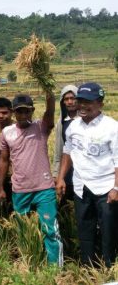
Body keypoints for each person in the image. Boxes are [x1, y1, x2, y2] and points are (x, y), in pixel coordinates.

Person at [0, 92, 63, 267]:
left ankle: (54, 268)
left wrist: (48, 93)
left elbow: (50, 112)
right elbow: (3, 160)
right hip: (20, 189)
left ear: (32, 111)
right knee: (23, 230)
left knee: (49, 229)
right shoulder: (7, 132)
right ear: (13, 112)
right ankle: (30, 263)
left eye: (27, 111)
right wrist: (0, 187)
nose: (24, 115)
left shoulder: (41, 127)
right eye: (20, 112)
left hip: (44, 189)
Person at [56, 82, 117, 267]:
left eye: (88, 102)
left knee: (109, 231)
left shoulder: (112, 127)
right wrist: (60, 178)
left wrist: (116, 187)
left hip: (105, 188)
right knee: (84, 230)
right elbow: (68, 152)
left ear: (100, 103)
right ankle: (88, 267)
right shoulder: (74, 126)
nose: (82, 105)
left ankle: (108, 268)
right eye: (80, 100)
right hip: (81, 187)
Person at [53, 85, 78, 203]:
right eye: (66, 99)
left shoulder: (86, 120)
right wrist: (56, 174)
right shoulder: (62, 123)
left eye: (73, 98)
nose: (70, 102)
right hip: (67, 173)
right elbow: (59, 150)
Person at [0, 97, 14, 215]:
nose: (1, 116)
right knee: (3, 212)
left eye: (4, 112)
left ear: (11, 112)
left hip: (16, 178)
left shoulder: (18, 129)